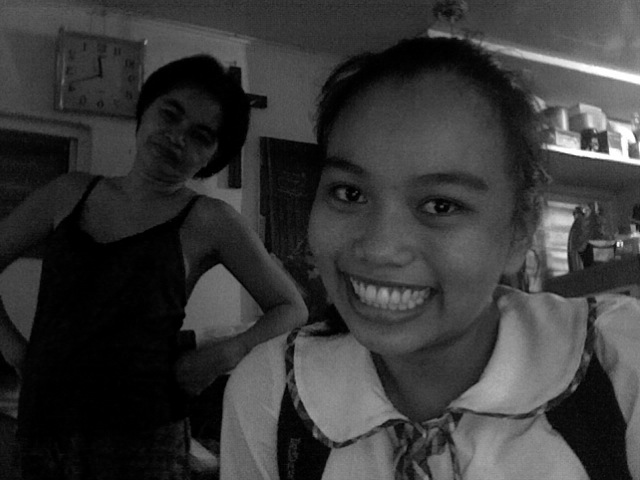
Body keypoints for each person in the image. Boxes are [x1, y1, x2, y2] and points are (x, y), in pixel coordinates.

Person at [220, 36, 640, 479]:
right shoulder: (270, 396)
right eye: (350, 193)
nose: (380, 248)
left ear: (520, 228)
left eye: (441, 205)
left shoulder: (618, 362)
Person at [0, 53, 307, 479]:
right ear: (145, 111)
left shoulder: (210, 220)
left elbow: (291, 308)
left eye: (200, 135)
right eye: (171, 114)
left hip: (143, 437)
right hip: (44, 423)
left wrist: (225, 353)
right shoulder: (67, 195)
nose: (177, 137)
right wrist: (14, 348)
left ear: (212, 157)